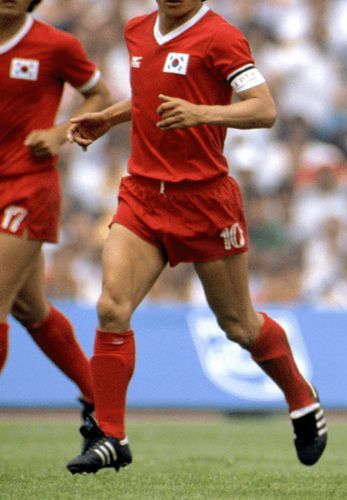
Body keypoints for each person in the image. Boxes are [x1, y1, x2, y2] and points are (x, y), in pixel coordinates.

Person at [64, 0, 326, 474]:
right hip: (143, 195)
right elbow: (153, 96)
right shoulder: (138, 30)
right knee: (111, 307)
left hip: (205, 201)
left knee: (239, 326)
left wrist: (202, 114)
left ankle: (301, 397)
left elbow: (264, 110)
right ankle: (110, 435)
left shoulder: (220, 36)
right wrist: (109, 118)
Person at [0, 0, 112, 452]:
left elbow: (101, 97)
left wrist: (61, 132)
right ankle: (102, 406)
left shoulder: (54, 45)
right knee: (32, 311)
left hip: (27, 187)